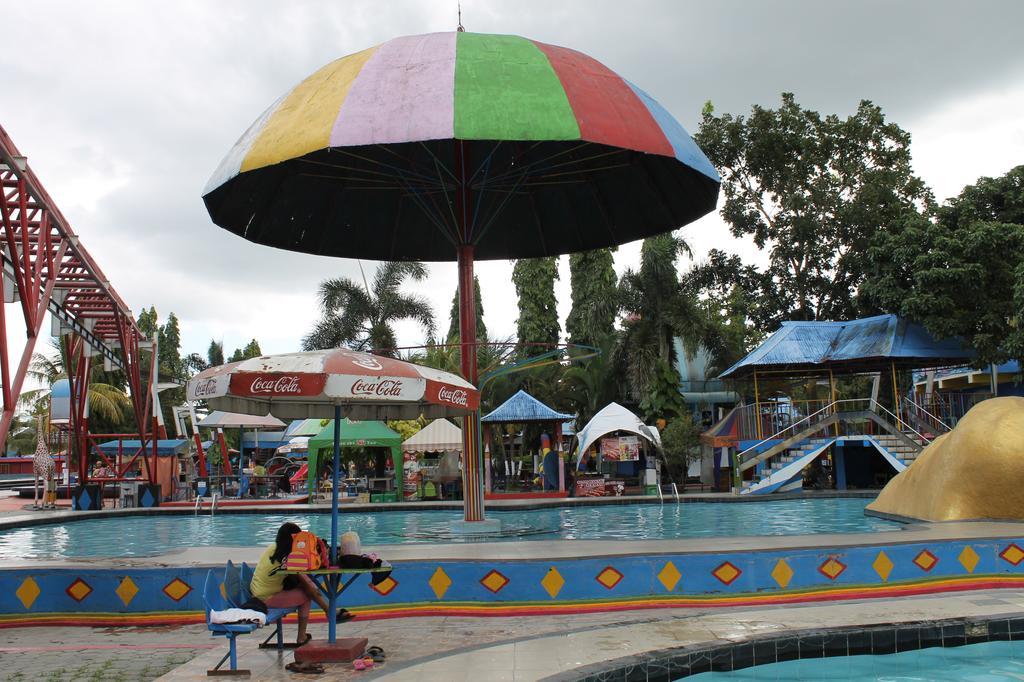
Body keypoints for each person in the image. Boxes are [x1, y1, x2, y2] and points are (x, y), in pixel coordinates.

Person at [249, 522, 348, 645]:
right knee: (307, 594)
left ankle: (327, 613)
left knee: (306, 587)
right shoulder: (288, 557)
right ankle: (323, 619)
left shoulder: (274, 548)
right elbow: (306, 584)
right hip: (265, 599)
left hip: (259, 594)